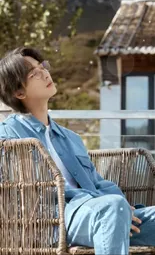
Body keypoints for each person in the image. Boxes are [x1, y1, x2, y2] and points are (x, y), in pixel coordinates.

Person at [0, 46, 154, 255]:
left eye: (43, 67)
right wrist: (109, 205)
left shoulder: (71, 138)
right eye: (34, 73)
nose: (45, 73)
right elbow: (29, 193)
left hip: (101, 212)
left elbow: (97, 181)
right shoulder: (9, 136)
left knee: (118, 208)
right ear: (19, 91)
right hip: (56, 220)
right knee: (111, 208)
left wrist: (125, 208)